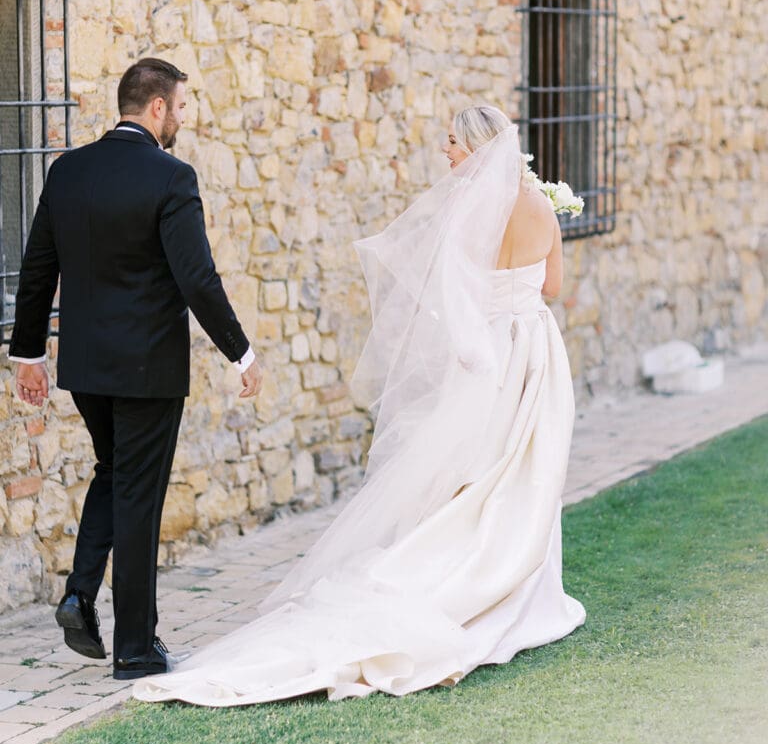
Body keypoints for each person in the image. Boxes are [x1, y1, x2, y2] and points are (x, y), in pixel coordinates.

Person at [132, 103, 585, 706]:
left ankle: (462, 572)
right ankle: (518, 587)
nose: (445, 151)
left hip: (487, 356)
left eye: (452, 141)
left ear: (478, 148)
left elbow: (455, 294)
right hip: (532, 350)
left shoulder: (470, 212)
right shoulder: (541, 209)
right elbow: (552, 286)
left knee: (471, 472)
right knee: (525, 468)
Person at [9, 57, 263, 680]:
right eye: (182, 105)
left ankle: (79, 595)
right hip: (148, 370)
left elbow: (37, 266)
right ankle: (136, 649)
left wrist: (28, 354)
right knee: (139, 499)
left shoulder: (67, 171)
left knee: (114, 473)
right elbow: (197, 278)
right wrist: (241, 351)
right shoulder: (172, 177)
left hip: (86, 368)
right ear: (157, 107)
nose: (184, 117)